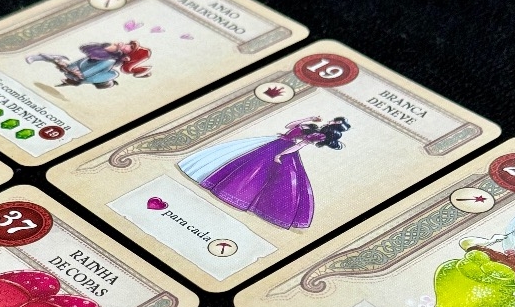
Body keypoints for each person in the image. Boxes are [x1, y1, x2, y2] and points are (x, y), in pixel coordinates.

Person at [178, 116, 350, 230]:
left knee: (262, 174)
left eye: (333, 122)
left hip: (283, 150)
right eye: (332, 120)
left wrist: (281, 155)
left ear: (333, 126)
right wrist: (309, 118)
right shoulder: (312, 126)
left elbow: (299, 145)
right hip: (274, 142)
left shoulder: (318, 135)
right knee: (244, 161)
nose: (330, 121)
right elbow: (289, 127)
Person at [26, 40, 151, 88]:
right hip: (82, 67)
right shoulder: (114, 51)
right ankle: (77, 75)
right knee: (109, 64)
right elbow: (101, 50)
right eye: (130, 45)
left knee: (113, 73)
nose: (127, 45)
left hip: (84, 71)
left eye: (130, 48)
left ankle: (79, 78)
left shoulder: (118, 58)